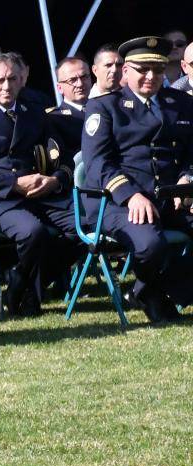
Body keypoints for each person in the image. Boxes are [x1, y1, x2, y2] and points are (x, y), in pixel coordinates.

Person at [0, 52, 77, 316]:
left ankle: (25, 281)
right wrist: (15, 183)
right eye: (0, 80)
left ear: (21, 81)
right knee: (33, 232)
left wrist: (55, 180)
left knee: (84, 226)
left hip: (39, 194)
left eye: (12, 79)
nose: (6, 86)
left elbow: (62, 158)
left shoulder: (34, 112)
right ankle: (22, 290)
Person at [81, 36, 193, 323]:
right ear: (126, 71)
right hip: (117, 202)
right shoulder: (105, 107)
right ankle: (151, 294)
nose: (150, 77)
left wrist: (187, 179)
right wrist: (131, 194)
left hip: (170, 198)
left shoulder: (179, 103)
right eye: (142, 69)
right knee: (150, 245)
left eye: (156, 70)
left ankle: (149, 289)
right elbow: (96, 164)